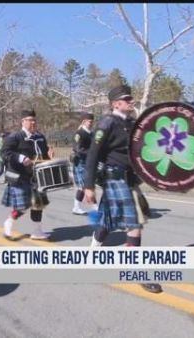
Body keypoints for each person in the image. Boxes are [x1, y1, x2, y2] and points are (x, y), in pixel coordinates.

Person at [83, 85, 162, 294]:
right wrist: (88, 186)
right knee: (134, 223)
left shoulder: (133, 124)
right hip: (114, 179)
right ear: (115, 104)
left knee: (107, 221)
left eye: (130, 98)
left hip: (129, 179)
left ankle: (93, 251)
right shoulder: (107, 123)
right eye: (126, 99)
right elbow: (92, 154)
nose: (131, 101)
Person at [1, 110, 53, 240]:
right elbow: (5, 153)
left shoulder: (40, 137)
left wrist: (49, 157)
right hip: (20, 176)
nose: (33, 122)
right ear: (23, 121)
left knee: (38, 205)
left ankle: (37, 231)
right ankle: (9, 222)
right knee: (23, 206)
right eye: (30, 120)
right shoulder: (14, 137)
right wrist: (21, 158)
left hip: (37, 177)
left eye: (34, 120)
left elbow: (44, 155)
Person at [70, 112, 96, 215]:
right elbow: (78, 149)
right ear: (84, 121)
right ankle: (95, 206)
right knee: (84, 186)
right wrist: (91, 153)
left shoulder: (92, 134)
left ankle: (76, 207)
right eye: (89, 121)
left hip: (89, 162)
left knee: (87, 185)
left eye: (92, 121)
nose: (91, 123)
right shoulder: (79, 134)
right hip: (80, 162)